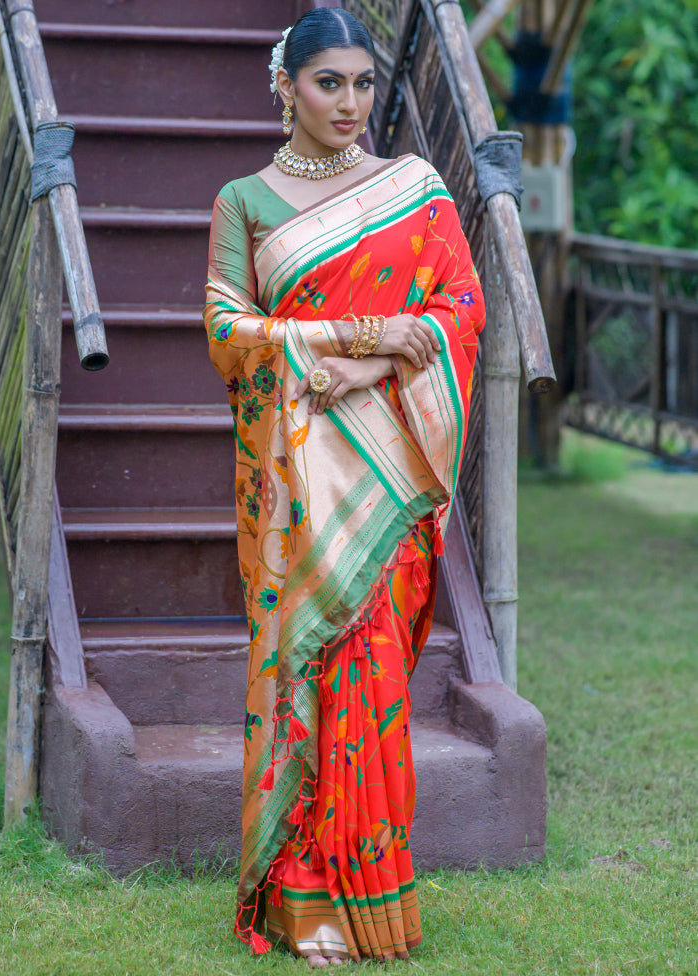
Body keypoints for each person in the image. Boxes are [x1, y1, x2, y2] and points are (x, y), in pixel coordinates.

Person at [204, 6, 485, 966]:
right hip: (296, 470)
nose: (352, 103)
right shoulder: (244, 200)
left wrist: (370, 372)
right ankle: (300, 892)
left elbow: (459, 307)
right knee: (302, 675)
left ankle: (369, 887)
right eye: (330, 83)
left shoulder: (414, 189)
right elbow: (227, 334)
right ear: (286, 84)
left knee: (369, 676)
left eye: (365, 84)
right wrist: (354, 337)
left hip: (387, 461)